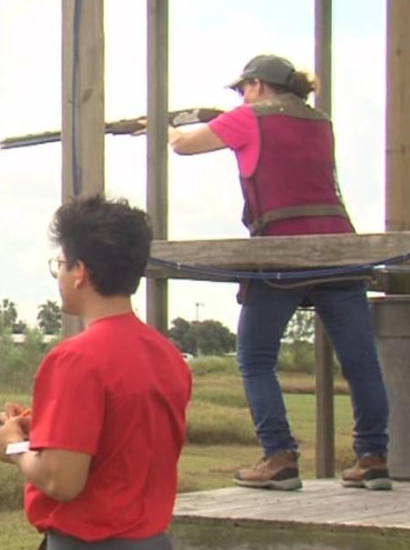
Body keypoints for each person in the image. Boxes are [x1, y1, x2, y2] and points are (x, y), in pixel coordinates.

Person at [166, 54, 392, 491]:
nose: (240, 97)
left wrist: (166, 129)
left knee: (253, 359)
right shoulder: (319, 121)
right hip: (340, 246)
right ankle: (373, 457)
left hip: (282, 249)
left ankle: (280, 455)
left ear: (257, 86)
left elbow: (184, 146)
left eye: (242, 89)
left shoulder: (248, 118)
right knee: (361, 364)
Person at [0, 195, 192, 549]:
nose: (61, 276)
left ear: (80, 273)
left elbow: (61, 481)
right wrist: (44, 428)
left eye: (61, 265)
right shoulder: (168, 356)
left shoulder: (75, 359)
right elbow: (123, 439)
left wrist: (13, 447)